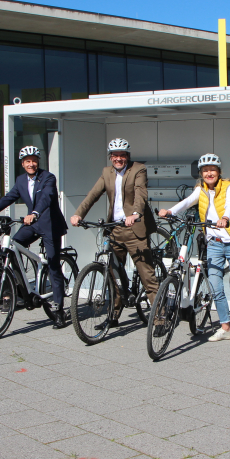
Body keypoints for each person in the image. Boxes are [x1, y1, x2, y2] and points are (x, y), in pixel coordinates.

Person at [70, 138, 159, 327]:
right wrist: (78, 214)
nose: (118, 159)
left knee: (147, 275)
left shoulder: (138, 169)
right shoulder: (107, 172)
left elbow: (140, 193)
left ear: (127, 156)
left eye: (122, 155)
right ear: (111, 157)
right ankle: (113, 316)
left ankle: (160, 318)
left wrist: (135, 214)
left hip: (135, 229)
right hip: (115, 228)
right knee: (113, 274)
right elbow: (93, 194)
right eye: (115, 155)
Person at [160, 153, 230, 344]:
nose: (209, 173)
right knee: (216, 287)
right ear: (201, 173)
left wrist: (225, 218)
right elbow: (187, 202)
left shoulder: (228, 186)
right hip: (214, 243)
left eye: (212, 170)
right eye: (205, 170)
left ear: (218, 172)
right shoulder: (200, 190)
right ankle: (225, 327)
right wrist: (170, 211)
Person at [0, 146, 69, 327]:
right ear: (22, 163)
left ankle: (59, 310)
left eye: (34, 160)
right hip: (32, 224)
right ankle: (24, 290)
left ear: (38, 162)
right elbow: (8, 197)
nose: (31, 164)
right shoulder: (20, 180)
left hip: (49, 224)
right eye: (27, 161)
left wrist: (35, 213)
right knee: (14, 245)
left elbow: (47, 197)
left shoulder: (48, 177)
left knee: (53, 265)